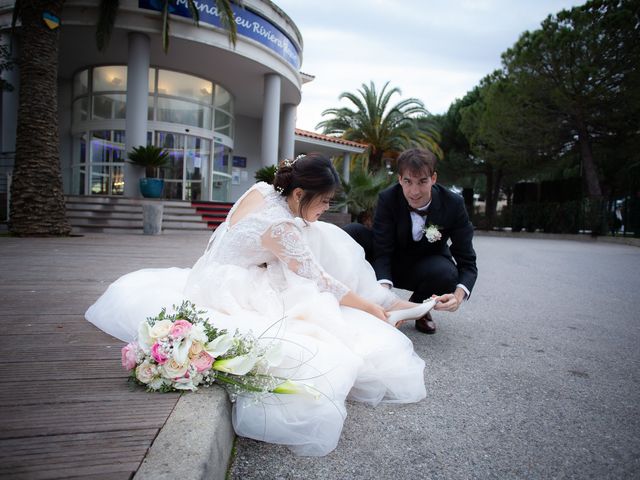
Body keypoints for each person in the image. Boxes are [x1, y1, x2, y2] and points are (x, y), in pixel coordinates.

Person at [86, 153, 433, 456]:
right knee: (316, 312)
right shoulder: (281, 228)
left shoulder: (262, 190)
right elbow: (321, 280)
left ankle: (385, 299)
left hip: (206, 273)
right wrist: (368, 308)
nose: (327, 209)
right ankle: (379, 302)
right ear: (299, 194)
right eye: (324, 201)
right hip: (233, 288)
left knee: (319, 244)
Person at [344, 148, 478, 335]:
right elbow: (383, 250)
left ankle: (418, 309)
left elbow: (467, 260)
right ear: (399, 179)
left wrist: (458, 296)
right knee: (352, 233)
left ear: (433, 178)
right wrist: (383, 297)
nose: (414, 191)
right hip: (388, 260)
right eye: (408, 181)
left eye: (422, 181)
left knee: (447, 274)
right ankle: (357, 301)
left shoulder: (453, 204)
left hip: (424, 265)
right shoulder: (388, 198)